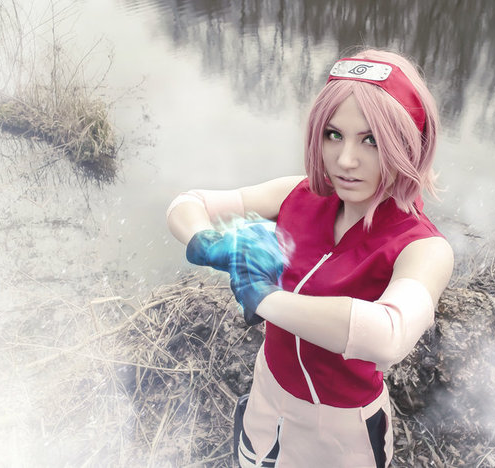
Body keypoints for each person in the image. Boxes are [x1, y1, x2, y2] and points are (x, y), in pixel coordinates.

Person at [166, 48, 454, 468]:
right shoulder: (298, 195)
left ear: (408, 145)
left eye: (371, 140)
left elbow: (388, 335)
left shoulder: (423, 246)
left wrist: (263, 297)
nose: (345, 160)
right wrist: (208, 243)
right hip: (266, 397)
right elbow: (188, 203)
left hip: (341, 433)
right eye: (333, 134)